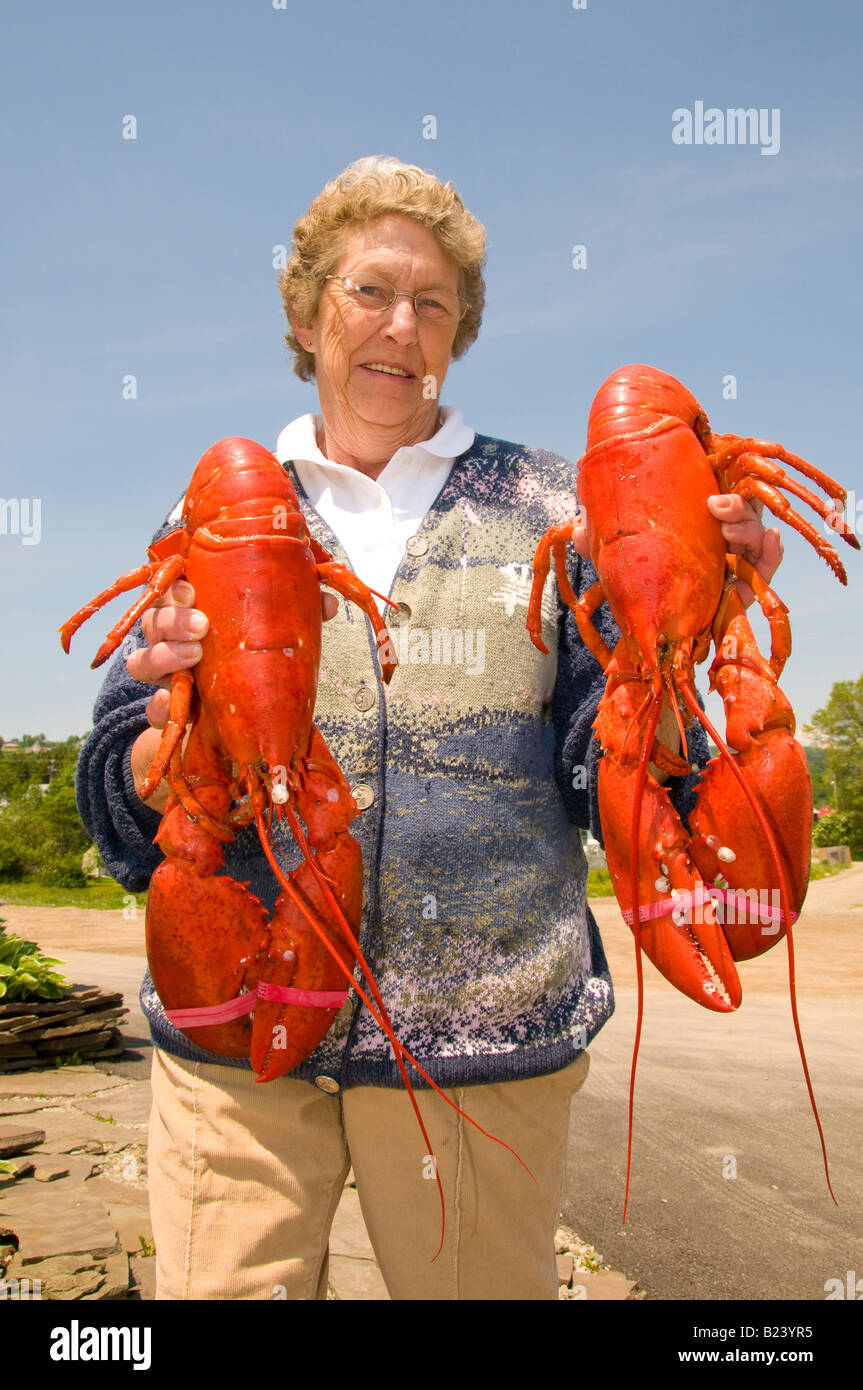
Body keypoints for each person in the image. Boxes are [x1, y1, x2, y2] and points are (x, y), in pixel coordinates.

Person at [77, 156, 782, 1301]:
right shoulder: (206, 506)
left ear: (460, 331)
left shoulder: (556, 505)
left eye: (433, 303)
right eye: (368, 291)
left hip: (478, 1062)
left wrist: (703, 625)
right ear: (304, 316)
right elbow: (115, 796)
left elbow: (611, 753)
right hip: (233, 1046)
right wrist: (156, 759)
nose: (400, 327)